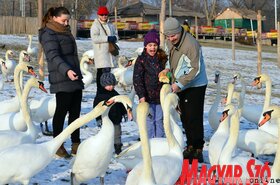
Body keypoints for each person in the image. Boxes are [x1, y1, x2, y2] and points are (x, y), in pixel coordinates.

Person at [39, 7, 84, 158]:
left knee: (75, 112)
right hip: (62, 77)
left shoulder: (65, 30)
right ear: (54, 18)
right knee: (61, 112)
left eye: (67, 20)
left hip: (74, 75)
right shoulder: (48, 33)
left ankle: (76, 143)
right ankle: (57, 144)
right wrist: (67, 71)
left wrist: (75, 71)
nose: (66, 23)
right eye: (63, 20)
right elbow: (53, 56)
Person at [161, 17, 208, 163]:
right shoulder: (171, 41)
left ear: (179, 31)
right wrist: (168, 68)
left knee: (194, 116)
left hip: (195, 85)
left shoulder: (191, 44)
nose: (171, 39)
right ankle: (190, 146)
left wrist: (179, 84)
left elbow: (196, 69)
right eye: (168, 36)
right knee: (185, 116)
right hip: (181, 82)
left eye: (173, 35)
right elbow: (170, 57)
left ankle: (198, 149)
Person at [133, 29, 168, 138]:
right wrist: (141, 96)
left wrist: (167, 73)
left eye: (154, 45)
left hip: (160, 97)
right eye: (150, 45)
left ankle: (160, 141)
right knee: (149, 120)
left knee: (159, 119)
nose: (152, 48)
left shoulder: (162, 58)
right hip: (147, 97)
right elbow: (137, 79)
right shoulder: (141, 60)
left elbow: (169, 72)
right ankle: (151, 142)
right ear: (145, 46)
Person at [90, 6, 119, 125]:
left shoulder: (111, 25)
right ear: (98, 15)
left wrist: (114, 38)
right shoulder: (95, 25)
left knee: (109, 86)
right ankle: (99, 113)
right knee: (101, 87)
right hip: (102, 60)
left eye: (105, 15)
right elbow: (94, 38)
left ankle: (109, 108)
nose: (104, 17)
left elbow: (117, 36)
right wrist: (107, 38)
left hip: (110, 58)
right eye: (102, 15)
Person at [93, 72, 127, 154]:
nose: (111, 86)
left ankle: (118, 146)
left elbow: (121, 103)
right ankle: (105, 148)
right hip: (105, 120)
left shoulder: (115, 94)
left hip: (116, 118)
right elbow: (96, 109)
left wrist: (124, 113)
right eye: (109, 85)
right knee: (106, 135)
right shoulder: (100, 96)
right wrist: (98, 118)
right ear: (103, 84)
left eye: (113, 85)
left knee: (117, 133)